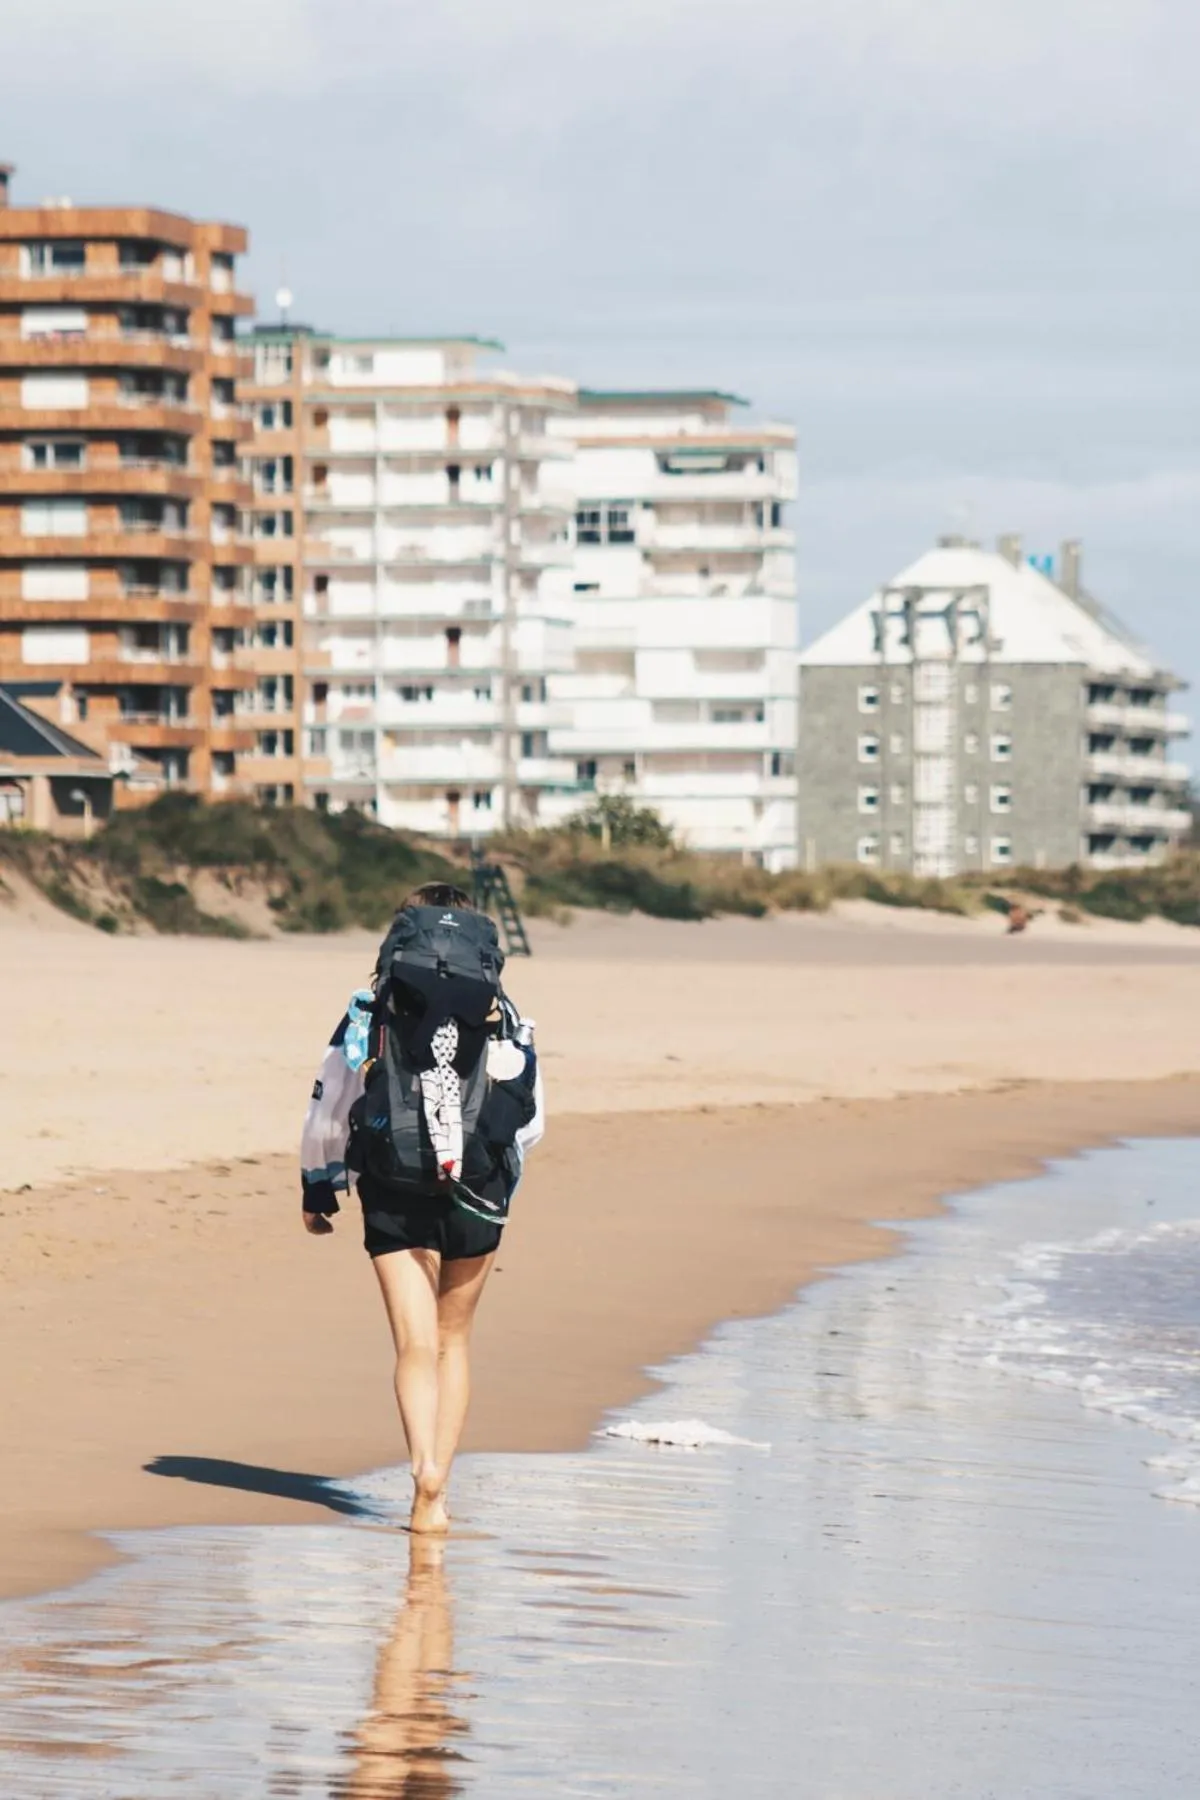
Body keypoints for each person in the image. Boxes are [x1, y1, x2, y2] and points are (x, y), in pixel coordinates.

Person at [300, 882, 543, 1534]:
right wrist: (494, 1182)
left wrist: (318, 1186)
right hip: (478, 1194)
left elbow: (332, 1097)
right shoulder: (503, 1012)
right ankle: (438, 1491)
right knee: (453, 1340)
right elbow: (529, 1116)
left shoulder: (371, 1006)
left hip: (392, 1185)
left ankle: (421, 1468)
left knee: (414, 1343)